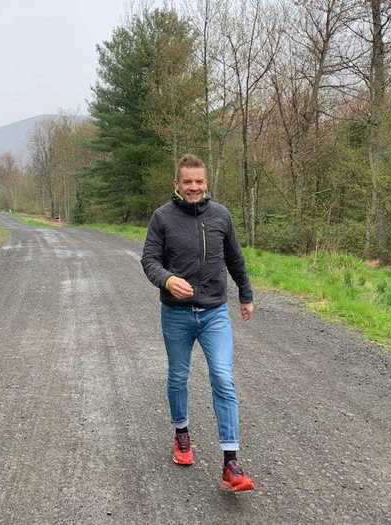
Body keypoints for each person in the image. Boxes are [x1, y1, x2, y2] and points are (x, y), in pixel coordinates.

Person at [141, 153, 255, 493]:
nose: (194, 187)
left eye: (199, 182)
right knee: (178, 375)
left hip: (214, 313)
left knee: (222, 376)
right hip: (176, 314)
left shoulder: (221, 216)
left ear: (206, 184)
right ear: (177, 184)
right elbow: (149, 260)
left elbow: (235, 258)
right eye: (187, 182)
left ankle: (230, 462)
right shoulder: (162, 217)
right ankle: (181, 433)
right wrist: (166, 280)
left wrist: (245, 295)